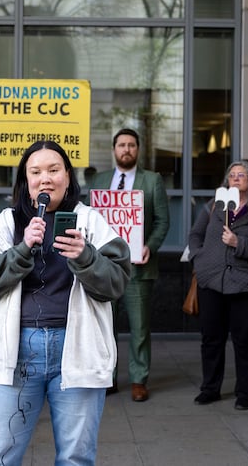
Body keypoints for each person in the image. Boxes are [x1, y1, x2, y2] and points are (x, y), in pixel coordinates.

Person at [0, 140, 131, 465]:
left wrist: (86, 257)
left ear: (68, 177)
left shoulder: (91, 220)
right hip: (19, 353)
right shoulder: (8, 222)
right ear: (26, 181)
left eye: (54, 170)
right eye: (36, 171)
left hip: (78, 349)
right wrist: (21, 248)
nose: (46, 178)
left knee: (76, 457)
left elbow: (117, 282)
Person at [188, 160, 248, 411]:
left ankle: (246, 392)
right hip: (212, 281)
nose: (236, 178)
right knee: (211, 339)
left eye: (242, 175)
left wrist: (239, 242)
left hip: (247, 284)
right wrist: (199, 256)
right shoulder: (214, 205)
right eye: (232, 175)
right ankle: (210, 389)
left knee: (246, 341)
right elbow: (195, 234)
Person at [88, 128, 169, 401]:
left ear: (138, 150)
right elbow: (89, 220)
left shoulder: (152, 180)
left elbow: (162, 221)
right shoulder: (98, 180)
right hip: (105, 267)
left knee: (140, 328)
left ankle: (138, 379)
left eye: (131, 145)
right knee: (104, 327)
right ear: (114, 150)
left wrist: (150, 246)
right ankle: (107, 377)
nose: (126, 149)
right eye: (122, 145)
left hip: (139, 267)